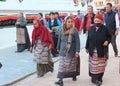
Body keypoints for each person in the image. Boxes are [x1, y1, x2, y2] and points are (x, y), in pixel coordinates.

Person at [86, 14, 111, 86]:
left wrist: (107, 41)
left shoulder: (105, 28)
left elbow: (109, 37)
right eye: (95, 20)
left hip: (101, 50)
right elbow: (88, 39)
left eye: (98, 20)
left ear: (101, 21)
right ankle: (94, 78)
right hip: (92, 50)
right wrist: (87, 47)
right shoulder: (91, 28)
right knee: (93, 65)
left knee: (100, 65)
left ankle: (99, 78)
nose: (96, 22)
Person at [55, 16, 80, 86]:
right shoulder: (61, 30)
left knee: (72, 65)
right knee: (62, 65)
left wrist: (77, 51)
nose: (70, 23)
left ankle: (74, 75)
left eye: (72, 22)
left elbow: (78, 41)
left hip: (72, 50)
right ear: (65, 22)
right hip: (63, 50)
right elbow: (59, 40)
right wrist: (58, 47)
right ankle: (60, 80)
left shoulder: (75, 30)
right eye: (68, 22)